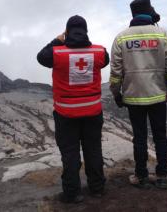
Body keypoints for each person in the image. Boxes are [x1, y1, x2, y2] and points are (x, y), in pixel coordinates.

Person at [109, 0, 167, 189]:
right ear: (150, 13)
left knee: (139, 138)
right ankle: (162, 176)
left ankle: (141, 177)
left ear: (132, 14)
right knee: (160, 136)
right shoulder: (164, 35)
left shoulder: (121, 38)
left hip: (133, 97)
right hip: (158, 95)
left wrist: (117, 94)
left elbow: (116, 72)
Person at [37, 15, 110, 203]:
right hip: (93, 112)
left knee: (70, 154)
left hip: (66, 113)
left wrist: (58, 39)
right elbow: (106, 61)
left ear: (67, 31)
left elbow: (40, 56)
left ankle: (72, 193)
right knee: (93, 150)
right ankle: (98, 188)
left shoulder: (57, 53)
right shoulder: (99, 52)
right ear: (86, 31)